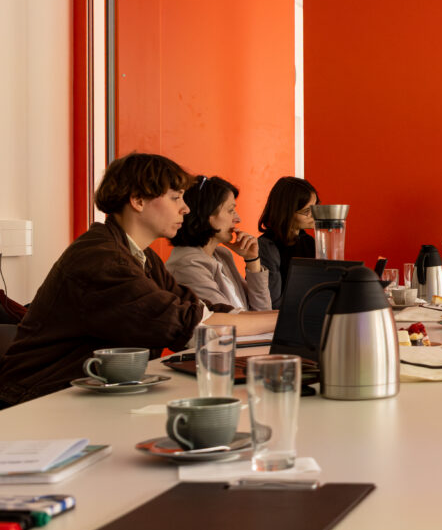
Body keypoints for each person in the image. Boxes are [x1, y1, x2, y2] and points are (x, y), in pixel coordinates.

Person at [0, 153, 278, 407]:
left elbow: (195, 307)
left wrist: (275, 317)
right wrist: (282, 319)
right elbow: (189, 325)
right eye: (175, 197)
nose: (186, 209)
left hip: (81, 393)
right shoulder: (102, 258)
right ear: (138, 200)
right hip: (34, 400)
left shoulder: (138, 254)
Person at [165, 175, 271, 311]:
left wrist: (252, 260)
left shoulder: (221, 254)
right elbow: (229, 319)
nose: (237, 218)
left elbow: (262, 310)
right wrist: (277, 318)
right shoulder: (186, 264)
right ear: (206, 213)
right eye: (231, 210)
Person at [257, 177, 319, 308]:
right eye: (307, 211)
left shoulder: (309, 242)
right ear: (287, 211)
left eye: (315, 207)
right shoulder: (267, 246)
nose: (314, 215)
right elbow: (273, 302)